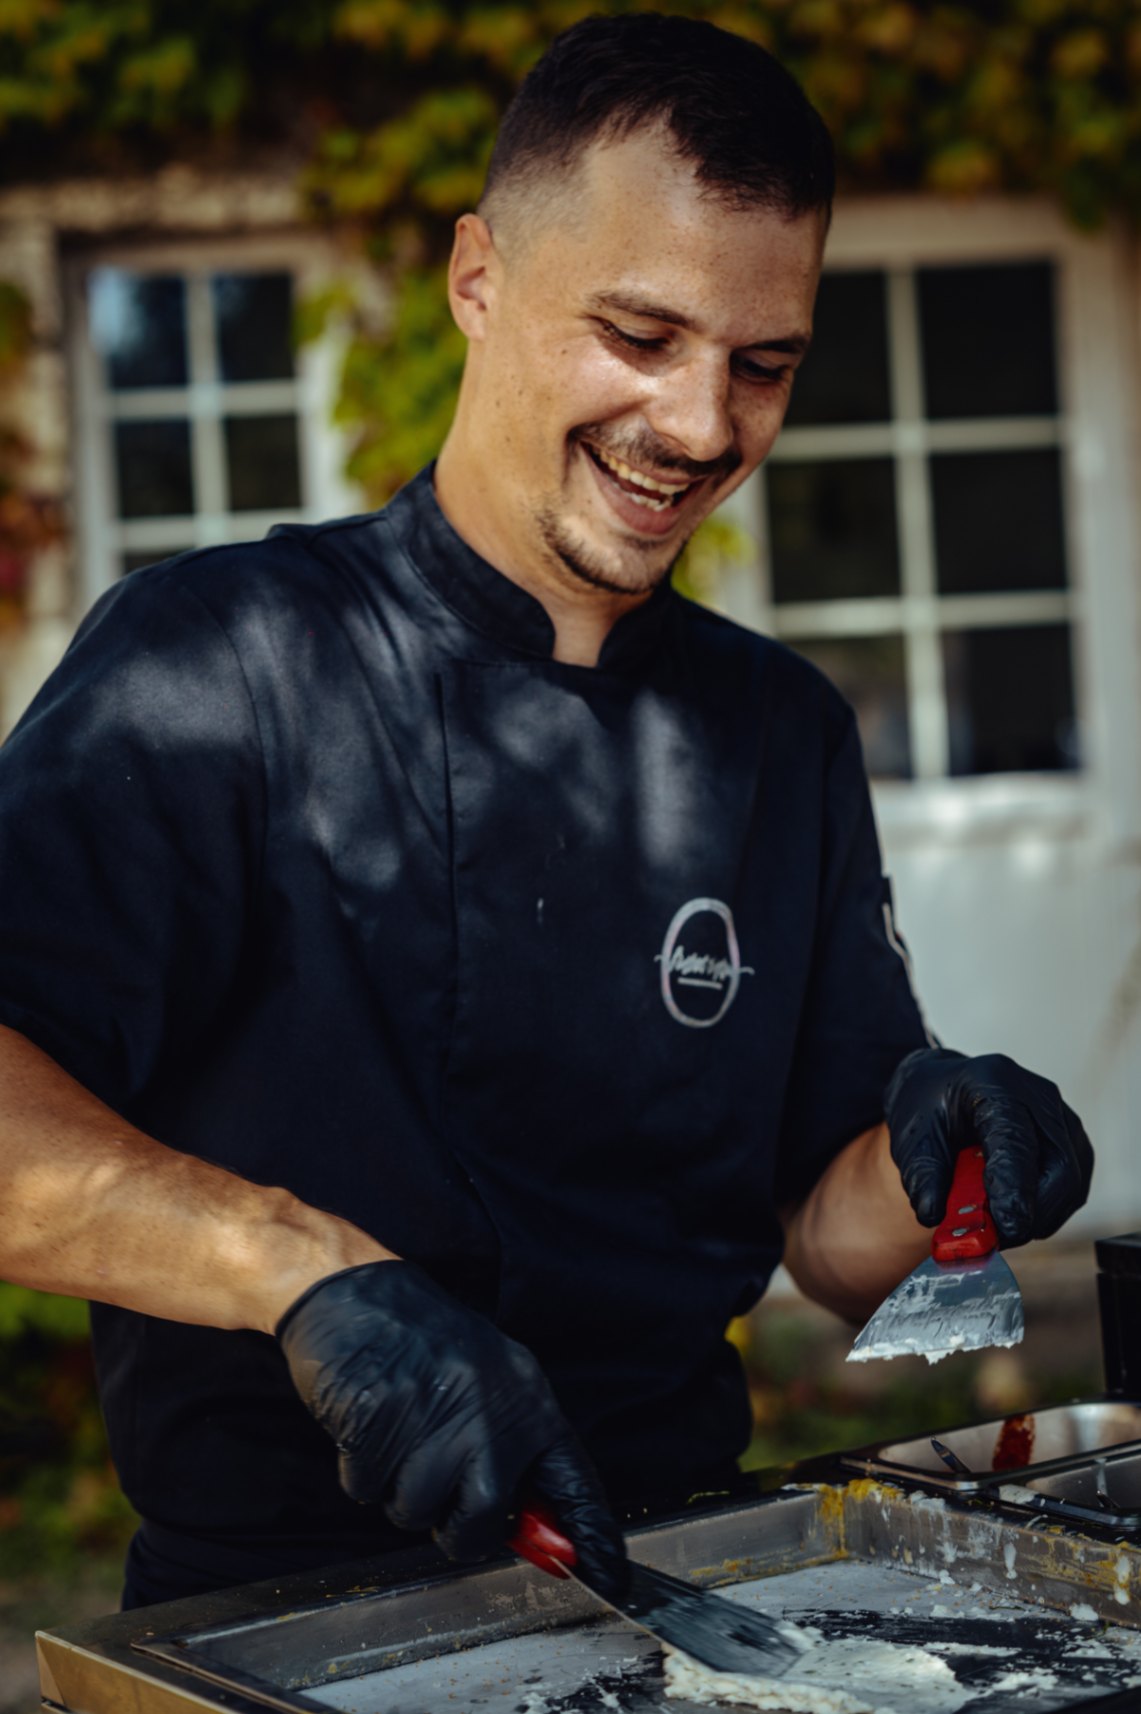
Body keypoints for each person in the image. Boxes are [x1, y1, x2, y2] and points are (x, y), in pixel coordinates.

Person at [0, 13, 1091, 1612]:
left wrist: (939, 1167)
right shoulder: (217, 663)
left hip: (699, 1573)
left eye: (761, 363)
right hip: (285, 1614)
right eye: (639, 335)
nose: (702, 427)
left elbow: (825, 1236)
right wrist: (303, 1273)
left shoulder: (779, 734)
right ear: (476, 278)